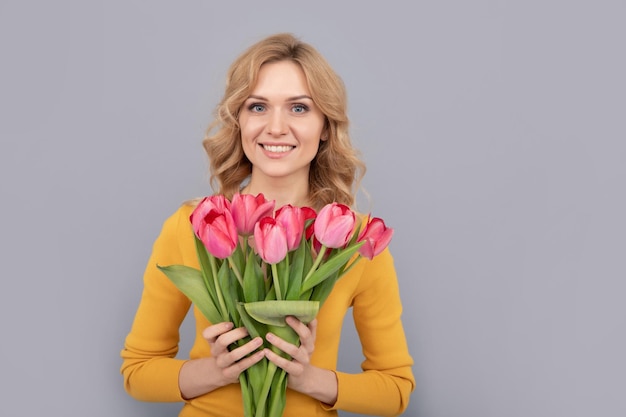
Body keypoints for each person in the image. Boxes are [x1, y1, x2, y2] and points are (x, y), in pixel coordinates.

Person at [120, 33, 415, 417]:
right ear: (238, 119)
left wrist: (307, 378)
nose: (275, 128)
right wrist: (217, 371)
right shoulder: (194, 224)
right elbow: (137, 372)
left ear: (325, 125)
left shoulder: (353, 240)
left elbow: (395, 390)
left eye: (299, 108)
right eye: (258, 107)